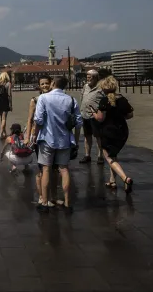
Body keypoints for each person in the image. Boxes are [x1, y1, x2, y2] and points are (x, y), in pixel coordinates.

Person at [33, 76, 82, 213]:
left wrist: (34, 137)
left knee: (46, 169)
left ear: (53, 83)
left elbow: (38, 120)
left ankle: (44, 201)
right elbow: (78, 123)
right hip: (65, 140)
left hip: (47, 138)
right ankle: (67, 202)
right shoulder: (71, 100)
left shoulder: (44, 98)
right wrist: (76, 142)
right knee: (64, 169)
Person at [91, 76, 134, 193]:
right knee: (114, 155)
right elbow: (130, 115)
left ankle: (125, 178)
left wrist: (94, 114)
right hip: (122, 131)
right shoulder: (122, 99)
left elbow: (100, 118)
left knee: (109, 158)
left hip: (108, 131)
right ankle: (112, 180)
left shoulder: (104, 101)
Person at [26, 76, 59, 206]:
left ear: (51, 84)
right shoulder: (34, 100)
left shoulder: (55, 99)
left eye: (47, 83)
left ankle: (53, 196)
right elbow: (30, 120)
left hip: (54, 136)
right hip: (39, 137)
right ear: (39, 86)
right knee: (42, 169)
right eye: (42, 84)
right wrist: (27, 137)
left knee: (54, 169)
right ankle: (41, 196)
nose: (45, 85)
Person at [78, 70, 105, 165]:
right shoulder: (85, 86)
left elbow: (105, 100)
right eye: (87, 77)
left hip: (95, 116)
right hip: (85, 115)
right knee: (87, 136)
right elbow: (82, 97)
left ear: (96, 78)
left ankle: (100, 156)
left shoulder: (101, 88)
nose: (88, 79)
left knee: (98, 137)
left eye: (90, 77)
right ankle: (87, 155)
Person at [0, 72, 12, 140]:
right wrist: (11, 105)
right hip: (5, 102)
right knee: (4, 118)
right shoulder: (8, 84)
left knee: (2, 118)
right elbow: (9, 95)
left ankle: (4, 133)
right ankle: (1, 133)